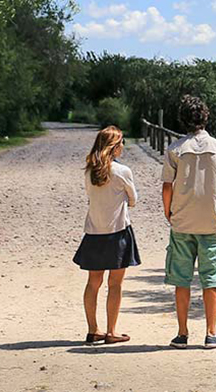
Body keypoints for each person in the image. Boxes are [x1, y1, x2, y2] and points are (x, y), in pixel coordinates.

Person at [162, 95, 216, 349]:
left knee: (181, 278)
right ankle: (211, 332)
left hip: (182, 220)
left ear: (183, 119)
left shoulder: (175, 150)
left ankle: (182, 333)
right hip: (211, 221)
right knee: (211, 278)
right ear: (205, 117)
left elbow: (167, 187)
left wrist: (168, 212)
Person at [72, 125, 140, 346]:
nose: (123, 147)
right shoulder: (123, 172)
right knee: (115, 284)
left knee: (93, 283)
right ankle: (112, 331)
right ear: (115, 147)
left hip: (94, 232)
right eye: (121, 143)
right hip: (118, 232)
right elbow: (133, 200)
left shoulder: (89, 171)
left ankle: (93, 330)